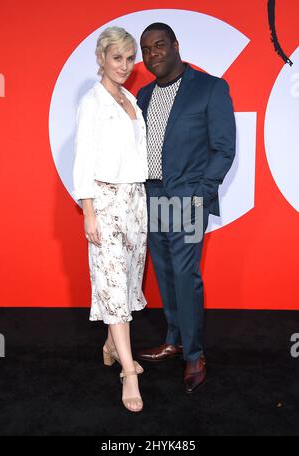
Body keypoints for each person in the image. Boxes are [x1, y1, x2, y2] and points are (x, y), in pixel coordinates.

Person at [136, 23, 236, 393]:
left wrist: (202, 192)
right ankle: (173, 339)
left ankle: (194, 354)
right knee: (165, 273)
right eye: (146, 49)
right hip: (152, 195)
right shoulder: (144, 95)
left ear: (176, 45)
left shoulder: (209, 88)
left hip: (188, 199)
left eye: (159, 45)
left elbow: (224, 147)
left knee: (185, 274)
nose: (153, 54)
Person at [73, 26, 148, 412]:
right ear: (101, 58)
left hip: (136, 199)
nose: (124, 65)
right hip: (104, 199)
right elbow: (83, 158)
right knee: (114, 284)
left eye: (129, 58)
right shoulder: (93, 102)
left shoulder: (131, 99)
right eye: (116, 57)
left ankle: (110, 346)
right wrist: (88, 212)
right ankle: (129, 376)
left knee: (130, 280)